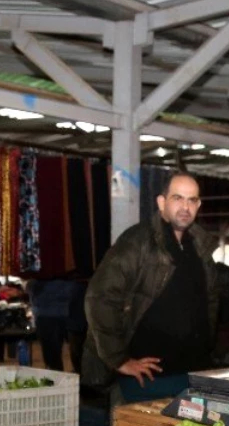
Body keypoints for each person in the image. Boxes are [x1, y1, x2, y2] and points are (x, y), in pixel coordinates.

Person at [82, 171, 219, 401]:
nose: (185, 206)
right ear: (161, 202)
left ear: (198, 205)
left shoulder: (201, 248)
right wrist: (119, 360)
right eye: (177, 198)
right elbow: (99, 297)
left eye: (192, 200)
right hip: (145, 382)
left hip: (191, 377)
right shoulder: (137, 241)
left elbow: (210, 305)